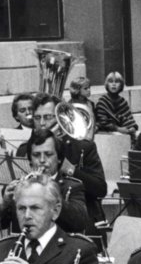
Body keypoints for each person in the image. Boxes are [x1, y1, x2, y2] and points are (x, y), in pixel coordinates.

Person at [16, 93, 107, 226]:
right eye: (37, 118)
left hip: (79, 220)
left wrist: (71, 170)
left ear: (60, 118)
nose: (42, 123)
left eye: (48, 117)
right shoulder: (24, 150)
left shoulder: (83, 147)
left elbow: (100, 189)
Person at [0, 127, 90, 234]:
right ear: (30, 160)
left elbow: (80, 223)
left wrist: (49, 193)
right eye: (36, 155)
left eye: (48, 154)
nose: (42, 160)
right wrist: (4, 204)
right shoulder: (19, 186)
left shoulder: (73, 187)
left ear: (59, 158)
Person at [94, 71, 138, 136]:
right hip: (106, 133)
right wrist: (118, 129)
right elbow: (102, 122)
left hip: (123, 132)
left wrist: (132, 128)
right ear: (107, 84)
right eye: (111, 82)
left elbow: (129, 119)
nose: (114, 84)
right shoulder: (103, 101)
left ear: (121, 85)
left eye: (117, 82)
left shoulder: (122, 102)